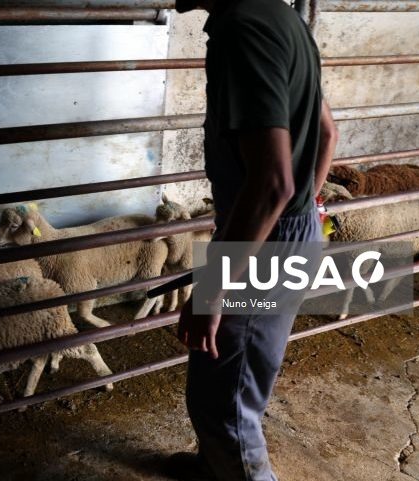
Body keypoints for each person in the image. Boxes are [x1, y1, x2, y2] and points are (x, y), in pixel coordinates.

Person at [169, 0, 338, 480]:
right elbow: (327, 134)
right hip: (284, 231)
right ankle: (213, 470)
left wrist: (212, 290)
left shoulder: (243, 31)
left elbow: (270, 185)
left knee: (225, 405)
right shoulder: (280, 17)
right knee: (231, 381)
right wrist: (307, 208)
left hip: (267, 243)